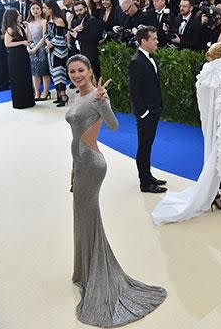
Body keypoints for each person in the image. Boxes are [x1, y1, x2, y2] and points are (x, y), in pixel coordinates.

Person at [65, 54, 167, 327]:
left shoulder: (98, 96)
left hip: (93, 164)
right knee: (82, 218)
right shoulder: (75, 96)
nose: (77, 75)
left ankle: (96, 272)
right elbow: (74, 135)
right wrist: (74, 167)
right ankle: (85, 272)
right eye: (73, 71)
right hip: (80, 164)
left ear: (90, 71)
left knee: (87, 217)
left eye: (81, 71)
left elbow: (113, 125)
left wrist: (102, 102)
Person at [152, 41, 221, 225]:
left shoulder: (205, 76)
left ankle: (216, 196)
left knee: (215, 161)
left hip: (210, 129)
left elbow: (204, 106)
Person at [129, 26, 168, 193]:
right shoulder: (136, 61)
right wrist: (143, 112)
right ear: (144, 41)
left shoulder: (149, 58)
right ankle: (145, 183)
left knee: (148, 145)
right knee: (144, 146)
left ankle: (148, 175)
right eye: (154, 39)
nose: (157, 41)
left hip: (154, 109)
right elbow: (134, 91)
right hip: (146, 113)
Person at [2, 8, 35, 109]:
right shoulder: (10, 29)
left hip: (23, 55)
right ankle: (20, 102)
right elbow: (7, 43)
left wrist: (28, 27)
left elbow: (29, 39)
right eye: (18, 14)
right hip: (15, 56)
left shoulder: (20, 26)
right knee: (18, 78)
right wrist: (21, 43)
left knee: (26, 76)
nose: (20, 15)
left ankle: (29, 100)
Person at [43, 0, 69, 107]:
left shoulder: (59, 21)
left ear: (51, 9)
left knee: (60, 73)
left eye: (45, 8)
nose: (44, 10)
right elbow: (46, 34)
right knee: (53, 72)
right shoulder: (48, 20)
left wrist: (51, 44)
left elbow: (60, 37)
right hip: (51, 50)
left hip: (60, 51)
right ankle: (59, 95)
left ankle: (63, 95)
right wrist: (48, 42)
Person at [71, 1, 103, 78]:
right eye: (76, 11)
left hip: (92, 54)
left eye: (80, 10)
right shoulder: (76, 21)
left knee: (95, 75)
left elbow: (95, 37)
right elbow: (71, 35)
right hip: (80, 52)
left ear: (86, 8)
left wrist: (78, 36)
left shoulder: (92, 20)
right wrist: (75, 30)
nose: (79, 13)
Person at [26, 1, 51, 100]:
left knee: (44, 71)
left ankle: (45, 91)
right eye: (33, 9)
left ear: (41, 10)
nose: (35, 11)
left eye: (37, 8)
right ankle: (36, 92)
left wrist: (35, 48)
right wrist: (29, 48)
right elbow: (28, 38)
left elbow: (44, 37)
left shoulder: (44, 21)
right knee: (34, 72)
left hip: (42, 48)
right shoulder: (30, 23)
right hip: (32, 49)